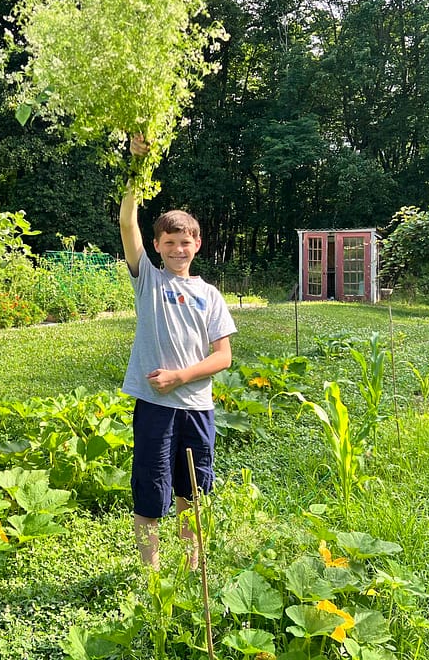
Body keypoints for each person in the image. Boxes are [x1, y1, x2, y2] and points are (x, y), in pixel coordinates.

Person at [119, 133, 237, 569]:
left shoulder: (210, 295)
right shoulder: (147, 281)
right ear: (156, 247)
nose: (177, 249)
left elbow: (222, 357)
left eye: (185, 242)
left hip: (197, 407)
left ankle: (191, 565)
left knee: (193, 491)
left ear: (198, 245)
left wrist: (179, 377)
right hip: (154, 405)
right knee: (151, 487)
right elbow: (128, 221)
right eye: (169, 242)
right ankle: (149, 572)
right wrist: (135, 168)